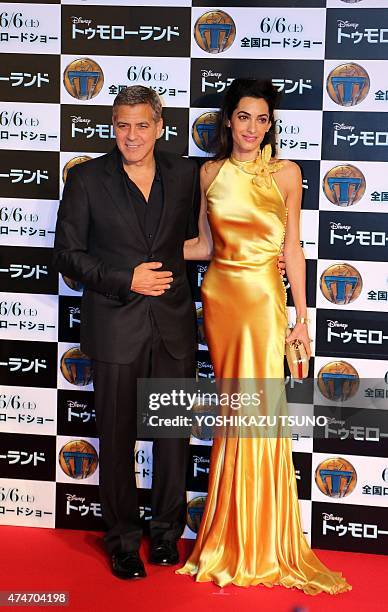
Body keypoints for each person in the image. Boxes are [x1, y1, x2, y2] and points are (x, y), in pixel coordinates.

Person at [177, 79, 351, 595]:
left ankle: (260, 540)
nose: (252, 127)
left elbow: (292, 249)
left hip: (264, 301)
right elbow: (204, 245)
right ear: (228, 119)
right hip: (221, 299)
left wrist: (302, 316)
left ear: (270, 124)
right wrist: (140, 249)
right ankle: (228, 537)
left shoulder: (288, 174)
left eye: (262, 119)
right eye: (244, 117)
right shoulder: (208, 172)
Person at [53, 86, 200, 579]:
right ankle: (121, 539)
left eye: (141, 125)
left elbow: (197, 241)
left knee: (172, 437)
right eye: (121, 125)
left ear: (159, 126)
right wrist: (126, 278)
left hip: (174, 324)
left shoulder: (185, 173)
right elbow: (68, 255)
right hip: (116, 323)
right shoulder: (87, 178)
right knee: (115, 438)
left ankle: (165, 536)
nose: (131, 135)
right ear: (111, 127)